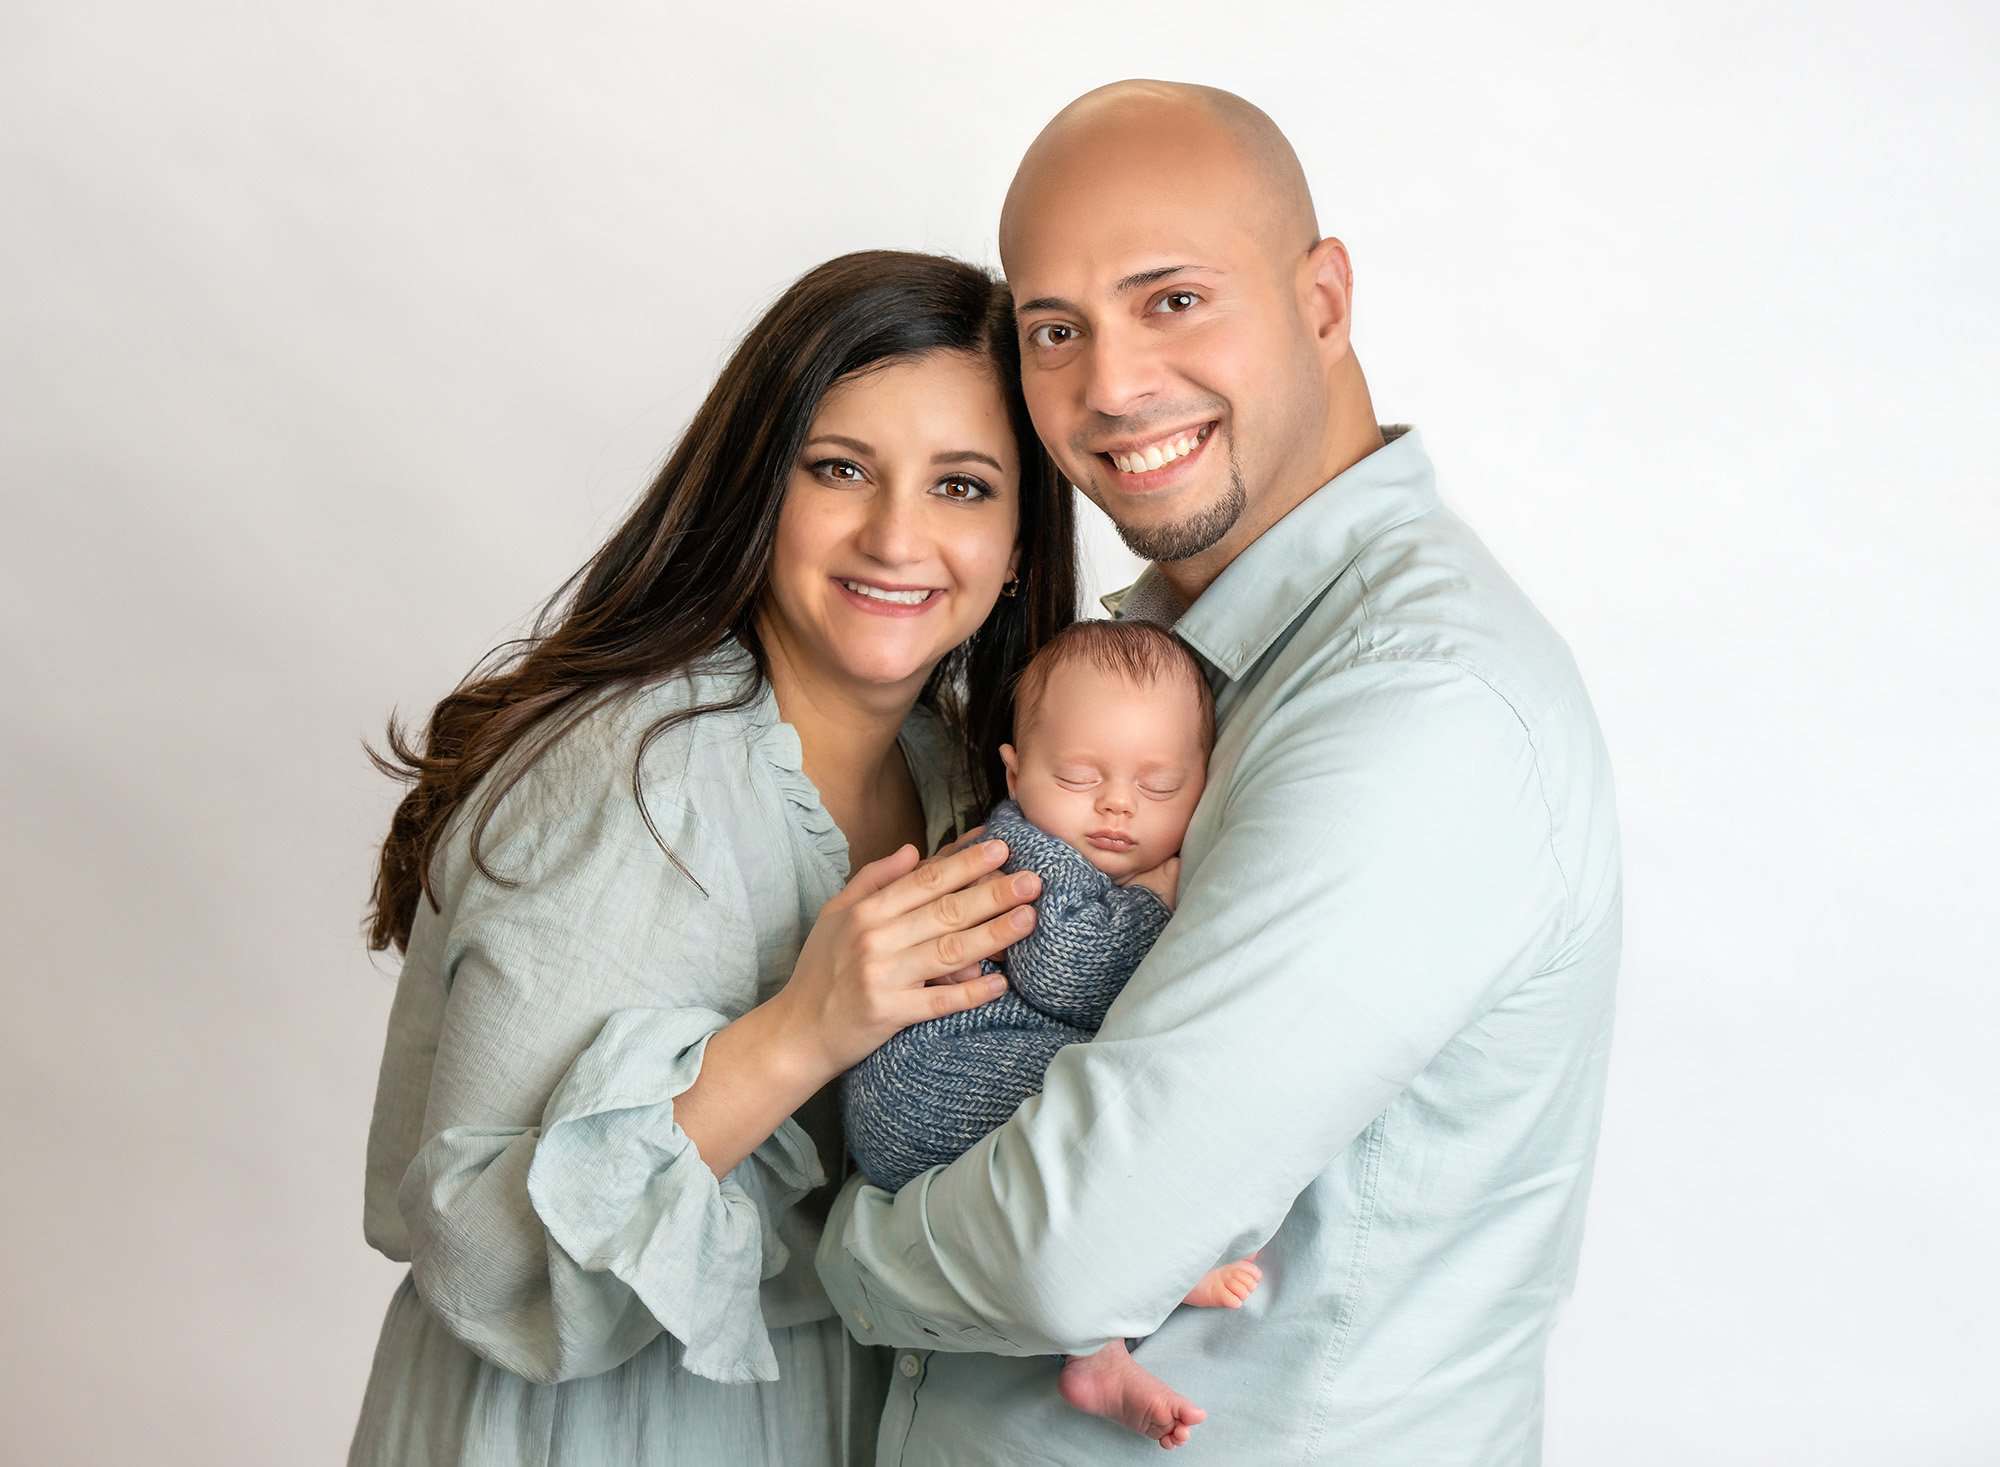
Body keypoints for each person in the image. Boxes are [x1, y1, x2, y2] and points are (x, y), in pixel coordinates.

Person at [815, 83, 1623, 1464]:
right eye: (1055, 330)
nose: (1111, 386)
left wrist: (849, 1251)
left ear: (1324, 299)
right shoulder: (1160, 664)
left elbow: (1075, 1248)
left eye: (1173, 300)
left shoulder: (1417, 705)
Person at [347, 250, 1079, 1467]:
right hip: (590, 1430)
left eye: (961, 486)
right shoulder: (631, 774)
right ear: (755, 491)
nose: (897, 535)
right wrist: (802, 1030)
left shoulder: (968, 782)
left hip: (827, 1411)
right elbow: (479, 1256)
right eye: (839, 469)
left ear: (1017, 548)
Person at [841, 620, 1261, 1449]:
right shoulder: (1022, 849)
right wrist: (1158, 901)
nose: (1117, 804)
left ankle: (1096, 1355)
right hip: (927, 1078)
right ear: (1016, 772)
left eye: (1160, 785)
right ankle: (1153, 1271)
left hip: (954, 1087)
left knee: (1082, 1143)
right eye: (1078, 776)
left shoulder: (1083, 850)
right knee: (1112, 1101)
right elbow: (1072, 970)